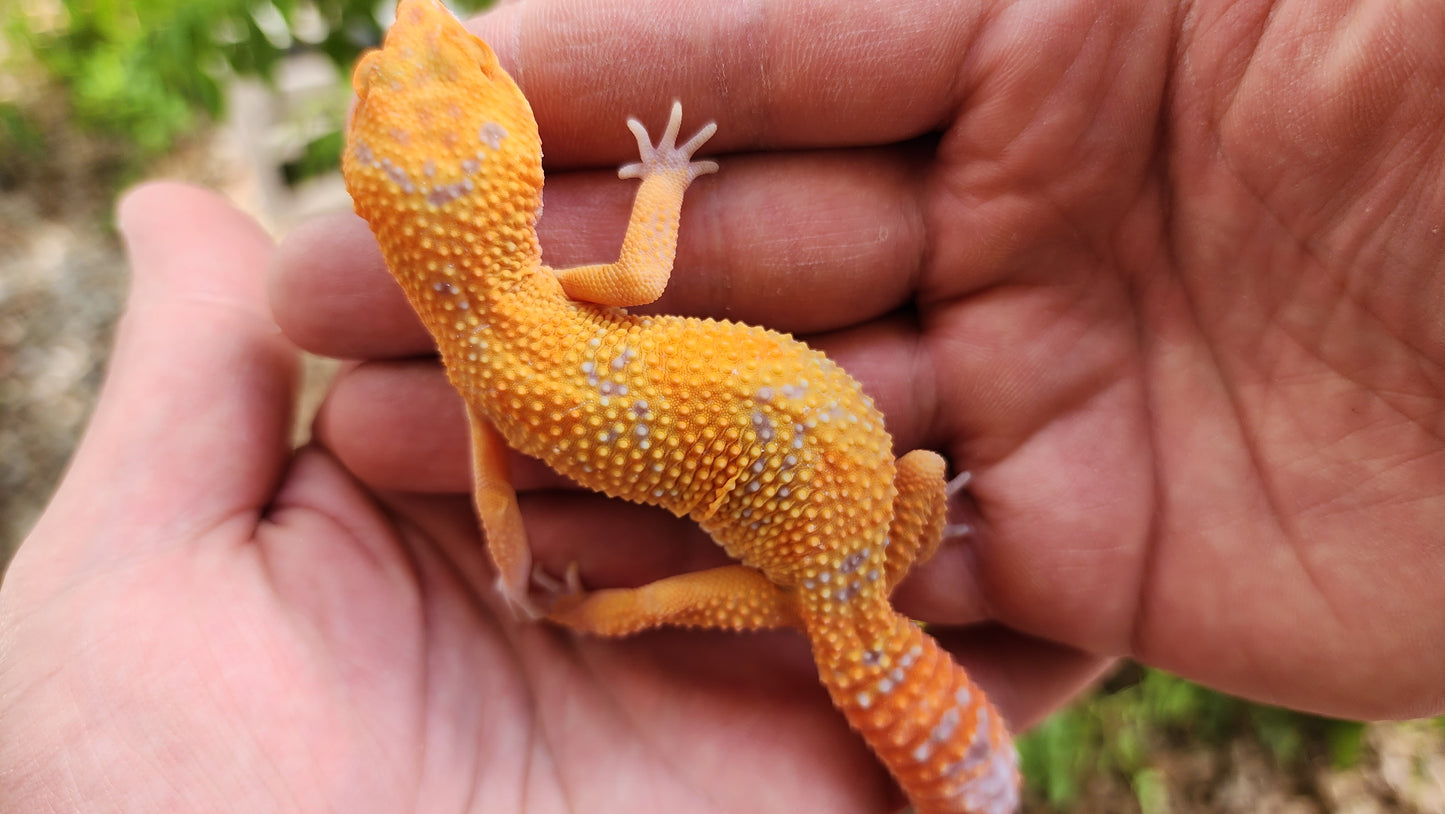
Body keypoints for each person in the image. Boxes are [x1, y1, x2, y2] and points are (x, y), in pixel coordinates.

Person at [2, 0, 1441, 810]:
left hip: (841, 539)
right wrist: (670, 185)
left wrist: (539, 590)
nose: (421, 34)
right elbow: (636, 271)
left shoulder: (489, 363)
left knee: (720, 570)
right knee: (920, 472)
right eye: (409, 79)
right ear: (499, 172)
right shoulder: (545, 310)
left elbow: (497, 489)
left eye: (447, 67)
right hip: (862, 521)